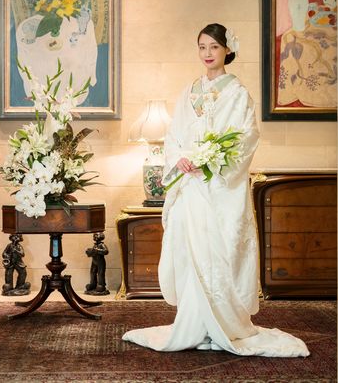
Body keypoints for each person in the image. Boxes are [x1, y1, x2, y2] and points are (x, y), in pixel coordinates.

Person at [122, 23, 309, 357]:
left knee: (221, 249)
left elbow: (245, 138)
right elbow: (174, 136)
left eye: (214, 47)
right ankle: (195, 322)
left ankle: (224, 322)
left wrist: (210, 160)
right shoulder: (189, 91)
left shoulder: (238, 93)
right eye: (202, 47)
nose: (207, 53)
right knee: (191, 250)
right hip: (191, 186)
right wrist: (180, 159)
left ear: (227, 50)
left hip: (218, 185)